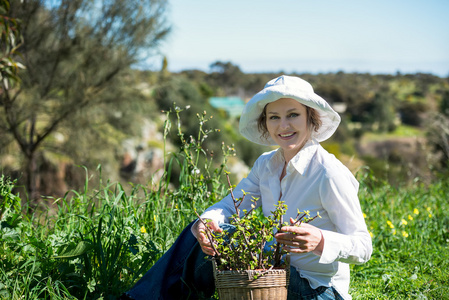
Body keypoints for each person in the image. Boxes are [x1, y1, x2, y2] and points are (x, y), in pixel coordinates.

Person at [122, 75, 372, 300]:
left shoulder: (328, 172)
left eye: (293, 115)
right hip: (275, 279)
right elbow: (232, 204)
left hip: (318, 291)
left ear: (311, 117)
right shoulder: (266, 165)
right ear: (265, 123)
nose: (283, 126)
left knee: (226, 235)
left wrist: (321, 240)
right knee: (204, 229)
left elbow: (363, 247)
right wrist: (206, 222)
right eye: (274, 117)